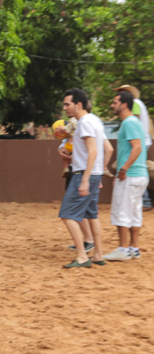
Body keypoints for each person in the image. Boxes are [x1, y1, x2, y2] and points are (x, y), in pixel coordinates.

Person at [59, 88, 107, 268]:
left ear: (78, 104)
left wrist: (86, 179)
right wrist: (97, 174)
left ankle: (81, 256)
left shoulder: (85, 123)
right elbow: (101, 150)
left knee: (67, 214)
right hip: (93, 173)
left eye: (67, 104)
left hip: (84, 175)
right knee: (91, 214)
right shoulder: (95, 121)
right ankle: (98, 255)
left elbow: (93, 151)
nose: (65, 108)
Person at [101, 90, 148, 260]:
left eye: (115, 102)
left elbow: (137, 147)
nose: (112, 105)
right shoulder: (133, 122)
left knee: (121, 211)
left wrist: (123, 169)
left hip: (130, 175)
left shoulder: (129, 123)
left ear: (124, 104)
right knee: (134, 213)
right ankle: (133, 248)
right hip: (138, 175)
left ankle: (122, 249)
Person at [115, 84, 152, 210]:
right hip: (141, 138)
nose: (118, 94)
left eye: (121, 92)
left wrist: (124, 169)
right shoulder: (139, 103)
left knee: (134, 169)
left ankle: (145, 201)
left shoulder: (134, 105)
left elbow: (134, 120)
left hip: (137, 138)